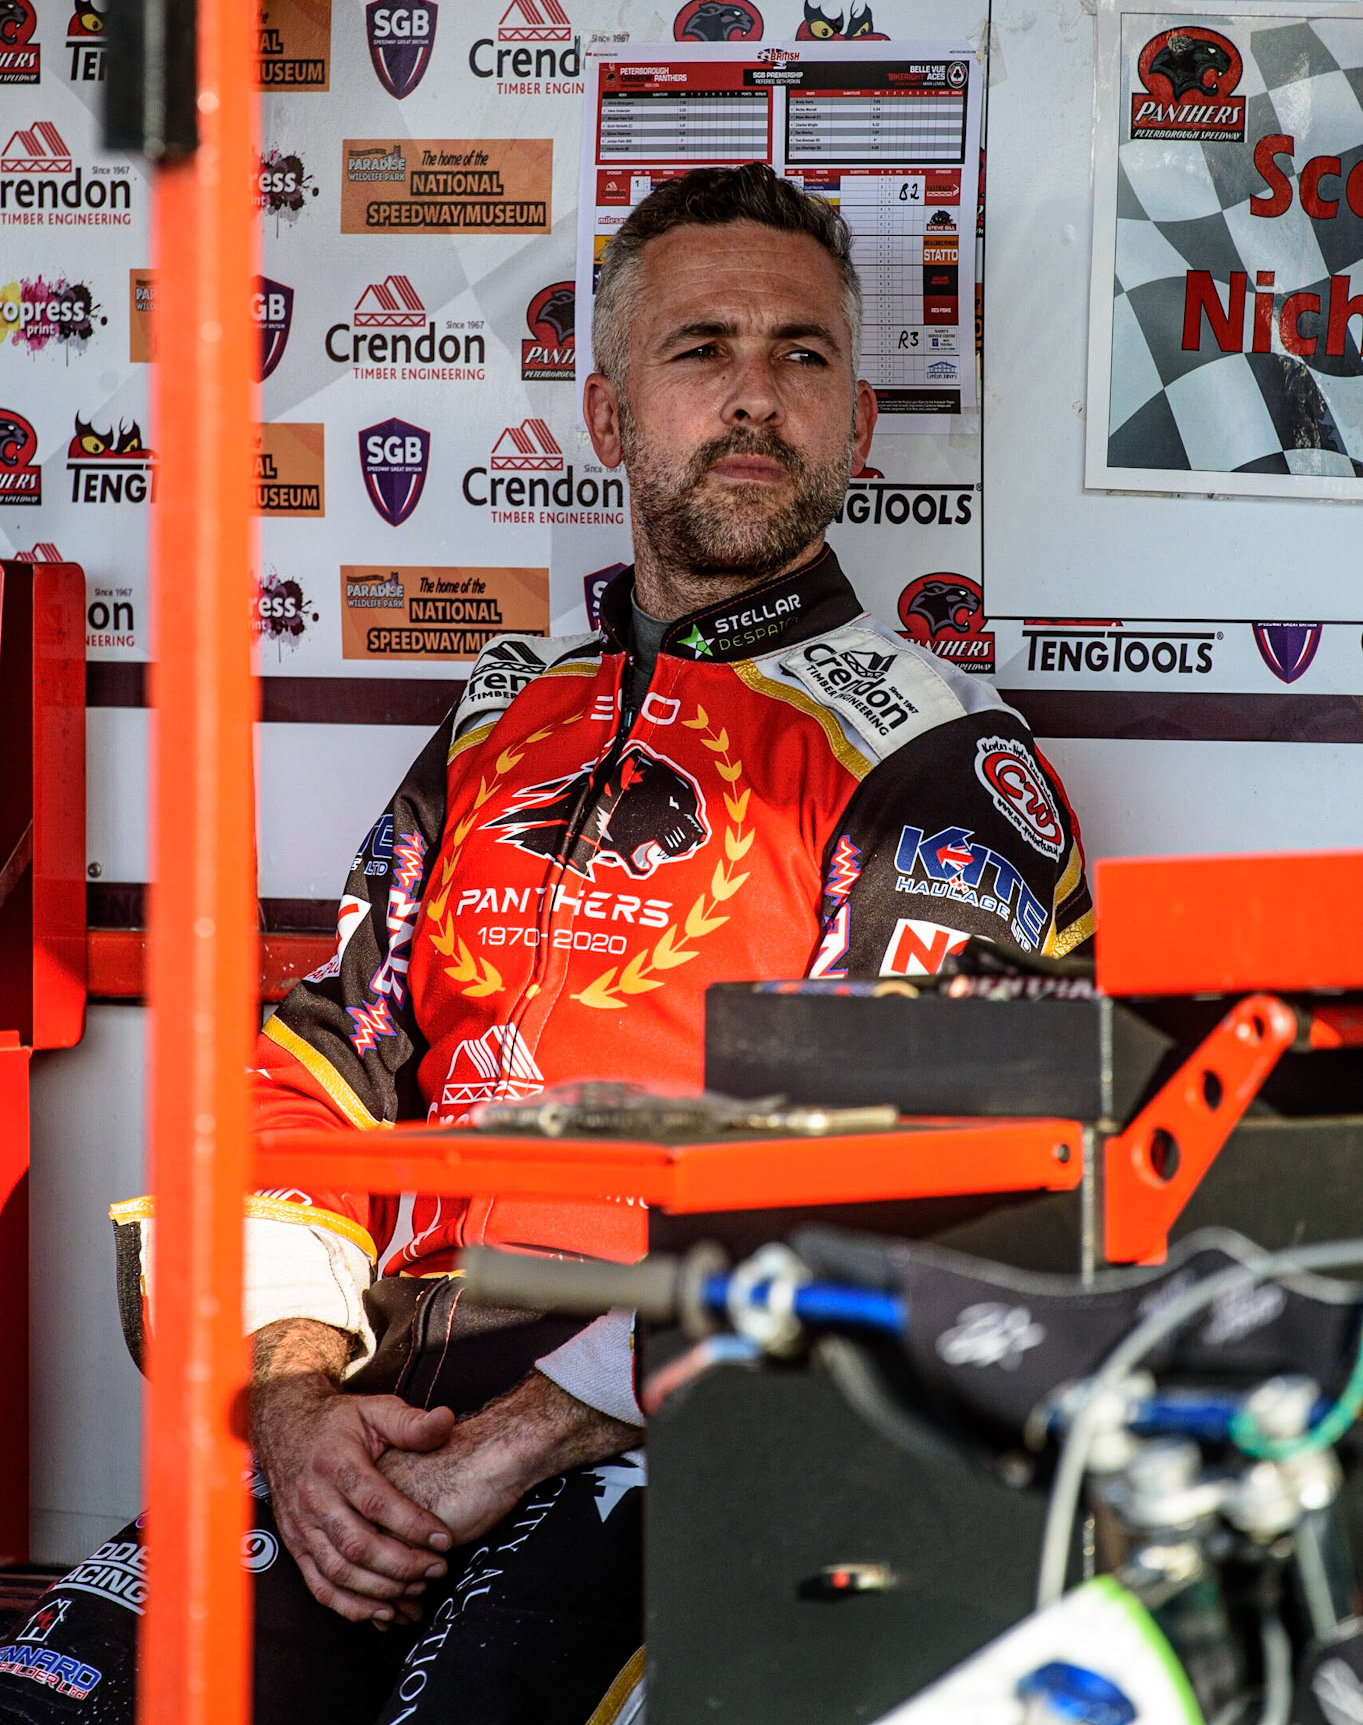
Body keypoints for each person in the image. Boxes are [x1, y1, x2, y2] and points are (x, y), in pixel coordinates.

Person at [3, 164, 1093, 1725]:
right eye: (701, 349)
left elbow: (915, 1183)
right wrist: (298, 1403)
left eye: (803, 357)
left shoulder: (938, 758)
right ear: (606, 416)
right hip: (382, 1397)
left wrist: (528, 1432)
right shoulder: (502, 716)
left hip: (680, 1423)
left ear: (858, 425)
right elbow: (319, 1069)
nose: (757, 399)